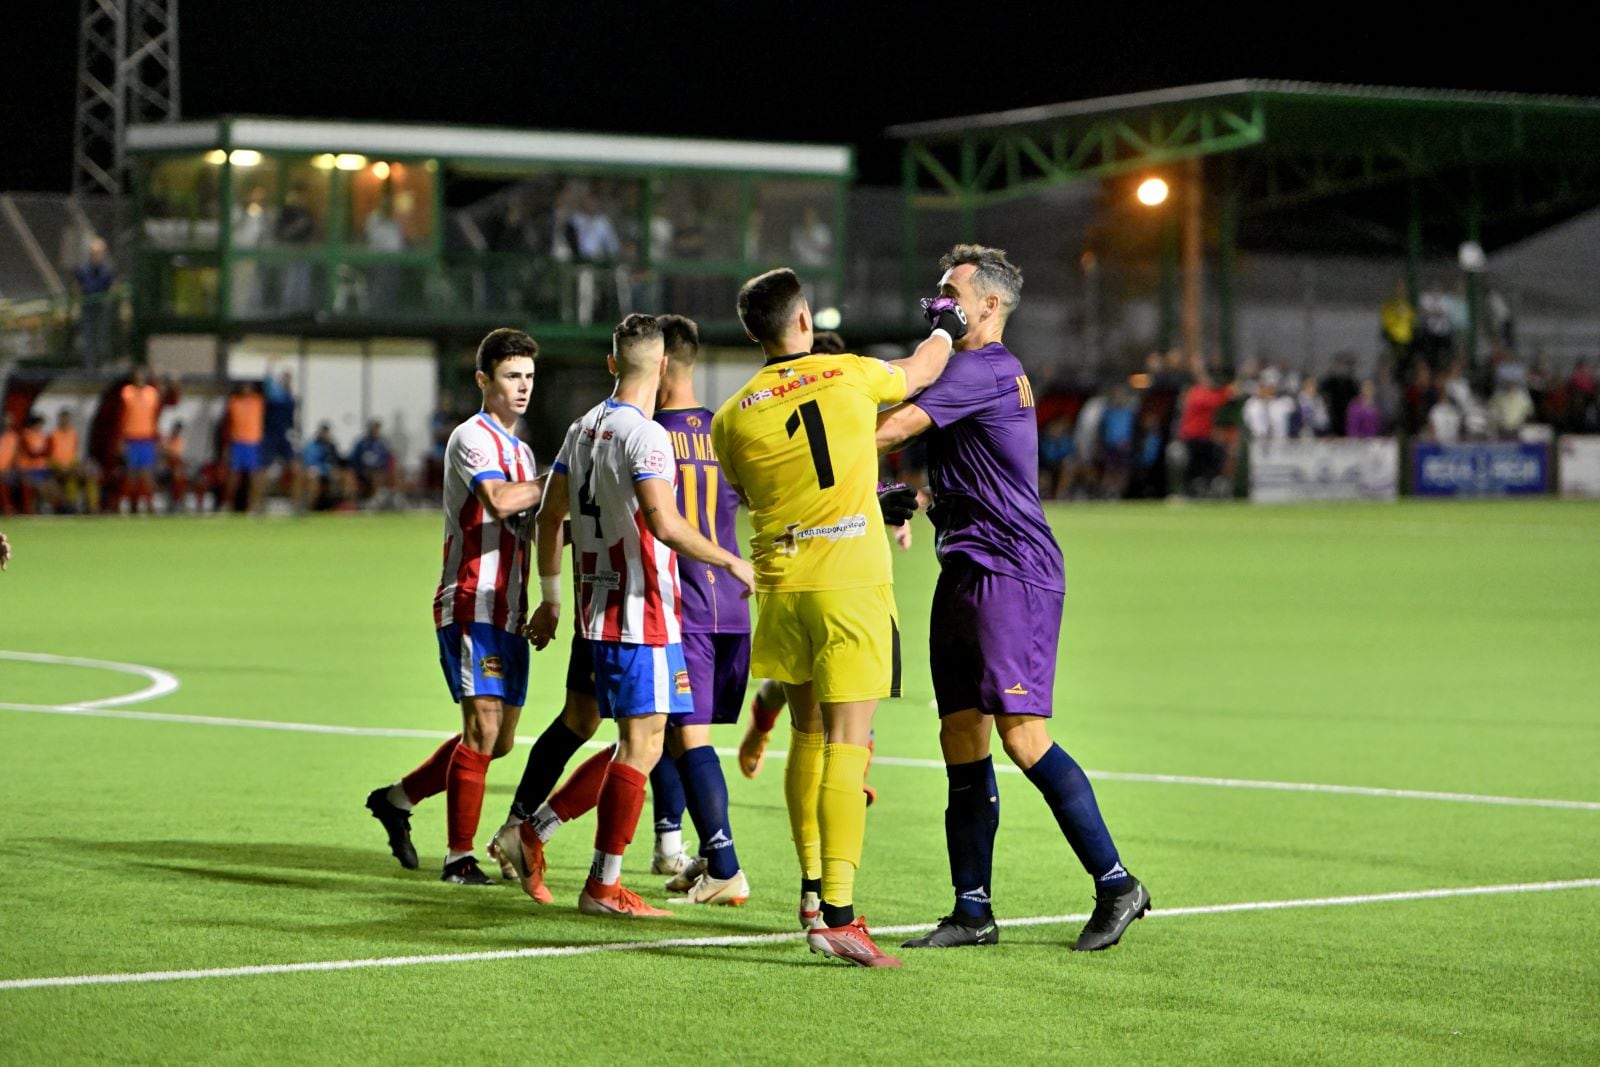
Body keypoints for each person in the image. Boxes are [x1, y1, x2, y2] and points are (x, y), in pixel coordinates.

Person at [874, 243, 1149, 954]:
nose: (939, 301)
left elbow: (896, 421)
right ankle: (972, 910)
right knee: (959, 739)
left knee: (1021, 736)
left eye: (951, 291)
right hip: (966, 567)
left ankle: (1117, 882)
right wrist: (908, 497)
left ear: (988, 306)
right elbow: (970, 470)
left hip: (1011, 571)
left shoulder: (983, 366)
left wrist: (814, 455)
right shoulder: (977, 370)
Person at [710, 266, 960, 967]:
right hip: (850, 582)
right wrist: (947, 325)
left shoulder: (732, 415)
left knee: (809, 735)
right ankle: (840, 916)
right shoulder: (849, 372)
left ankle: (811, 891)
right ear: (803, 321)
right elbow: (920, 370)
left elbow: (756, 490)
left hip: (784, 586)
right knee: (852, 743)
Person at [493, 314, 757, 909]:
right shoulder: (647, 436)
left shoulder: (581, 428)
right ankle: (599, 881)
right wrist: (731, 561)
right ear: (664, 368)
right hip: (645, 614)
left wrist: (553, 598)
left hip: (597, 611)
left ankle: (536, 837)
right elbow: (665, 524)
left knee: (637, 743)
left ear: (613, 364)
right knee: (642, 748)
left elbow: (547, 518)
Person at [364, 328, 543, 886]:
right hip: (470, 600)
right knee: (482, 731)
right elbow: (500, 499)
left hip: (510, 608)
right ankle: (459, 857)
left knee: (500, 741)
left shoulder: (523, 450)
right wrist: (561, 481)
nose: (522, 388)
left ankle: (396, 799)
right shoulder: (472, 438)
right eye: (512, 376)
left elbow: (531, 522)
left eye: (529, 377)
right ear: (483, 380)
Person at [119, 366, 162, 514]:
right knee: (131, 474)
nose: (140, 379)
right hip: (131, 439)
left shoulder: (152, 393)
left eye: (142, 376)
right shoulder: (127, 393)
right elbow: (122, 418)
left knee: (147, 474)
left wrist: (156, 439)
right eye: (137, 376)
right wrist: (121, 440)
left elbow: (155, 417)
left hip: (147, 439)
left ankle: (150, 504)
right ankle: (130, 504)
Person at [73, 237, 118, 366]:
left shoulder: (108, 270)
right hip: (87, 306)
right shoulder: (82, 269)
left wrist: (108, 298)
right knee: (88, 337)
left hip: (102, 307)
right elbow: (77, 287)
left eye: (99, 253)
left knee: (102, 337)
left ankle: (102, 364)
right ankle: (89, 366)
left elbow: (113, 286)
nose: (96, 256)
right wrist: (80, 297)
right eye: (93, 253)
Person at [223, 382, 267, 513]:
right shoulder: (234, 402)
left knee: (254, 474)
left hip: (253, 442)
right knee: (234, 475)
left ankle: (255, 504)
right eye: (244, 387)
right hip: (237, 442)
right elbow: (228, 424)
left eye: (249, 388)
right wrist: (226, 445)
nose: (247, 390)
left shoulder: (257, 401)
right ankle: (227, 503)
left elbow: (267, 387)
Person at [350, 419, 397, 507]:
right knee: (375, 476)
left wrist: (386, 469)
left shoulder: (382, 443)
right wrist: (361, 470)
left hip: (380, 470)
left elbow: (387, 458)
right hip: (364, 471)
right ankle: (373, 502)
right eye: (374, 428)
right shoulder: (361, 443)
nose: (376, 430)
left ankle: (392, 499)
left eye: (377, 428)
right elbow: (354, 459)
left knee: (392, 474)